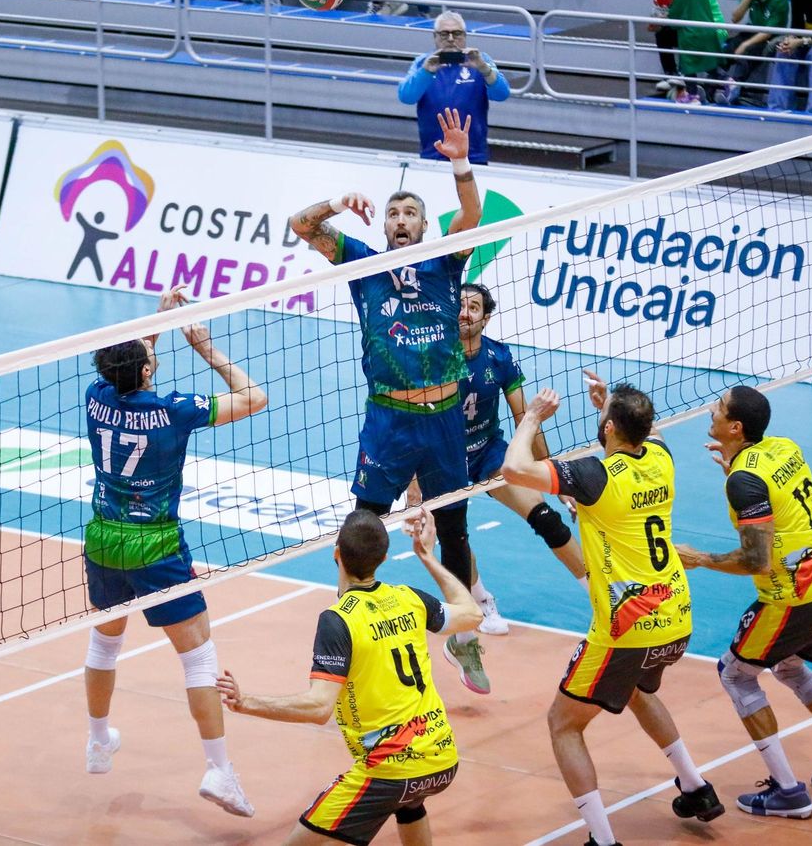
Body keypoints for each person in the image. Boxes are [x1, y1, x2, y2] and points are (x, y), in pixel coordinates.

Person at [289, 109, 490, 694]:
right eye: (395, 213)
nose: (402, 220)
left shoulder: (445, 261)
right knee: (362, 525)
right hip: (390, 418)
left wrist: (458, 161)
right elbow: (300, 225)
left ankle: (464, 638)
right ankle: (346, 635)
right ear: (385, 228)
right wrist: (333, 204)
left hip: (445, 418)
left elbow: (472, 214)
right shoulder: (363, 262)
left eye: (411, 214)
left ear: (424, 227)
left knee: (455, 526)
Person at [500, 374, 723, 846]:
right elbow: (650, 429)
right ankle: (697, 788)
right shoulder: (660, 458)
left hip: (627, 628)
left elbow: (514, 470)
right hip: (677, 616)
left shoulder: (594, 476)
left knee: (563, 725)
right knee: (639, 691)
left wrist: (532, 417)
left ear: (608, 430)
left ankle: (603, 841)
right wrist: (609, 405)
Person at [81, 287, 267, 817]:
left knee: (104, 643)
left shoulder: (97, 398)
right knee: (198, 655)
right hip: (157, 545)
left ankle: (98, 741)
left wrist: (154, 327)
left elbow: (126, 363)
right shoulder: (173, 411)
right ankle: (219, 771)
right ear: (145, 373)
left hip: (103, 539)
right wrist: (205, 347)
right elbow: (255, 397)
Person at [676, 386, 812, 819]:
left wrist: (700, 559)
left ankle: (788, 792)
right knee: (788, 665)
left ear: (735, 427)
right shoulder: (784, 447)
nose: (709, 414)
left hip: (797, 599)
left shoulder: (744, 480)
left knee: (735, 675)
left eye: (717, 410)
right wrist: (737, 475)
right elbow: (779, 503)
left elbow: (757, 559)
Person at [216, 506, 481, 846]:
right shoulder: (408, 598)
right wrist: (427, 556)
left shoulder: (338, 620)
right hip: (442, 759)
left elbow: (318, 707)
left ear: (336, 552)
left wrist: (246, 702)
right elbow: (472, 614)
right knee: (409, 806)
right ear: (384, 559)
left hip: (390, 770)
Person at [457, 284, 587, 605]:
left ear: (485, 319)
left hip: (489, 454)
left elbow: (525, 419)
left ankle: (603, 596)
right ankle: (481, 600)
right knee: (454, 535)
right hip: (445, 459)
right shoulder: (434, 358)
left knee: (545, 517)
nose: (464, 313)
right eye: (460, 305)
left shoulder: (498, 357)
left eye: (474, 308)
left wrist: (559, 479)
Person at [397, 13, 509, 164]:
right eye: (444, 34)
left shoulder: (480, 60)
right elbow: (406, 97)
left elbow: (502, 94)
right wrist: (426, 72)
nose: (451, 39)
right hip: (433, 153)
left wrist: (484, 69)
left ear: (465, 36)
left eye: (456, 33)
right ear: (434, 37)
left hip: (473, 155)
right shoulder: (423, 62)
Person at [715, 0, 790, 107]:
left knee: (745, 51)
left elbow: (768, 32)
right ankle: (715, 86)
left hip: (771, 38)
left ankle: (733, 89)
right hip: (752, 31)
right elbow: (735, 18)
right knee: (724, 49)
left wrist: (745, 45)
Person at [652, 0, 726, 104]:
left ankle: (693, 95)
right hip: (699, 31)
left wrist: (663, 17)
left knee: (689, 64)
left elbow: (677, 15)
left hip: (701, 32)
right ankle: (672, 74)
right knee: (707, 63)